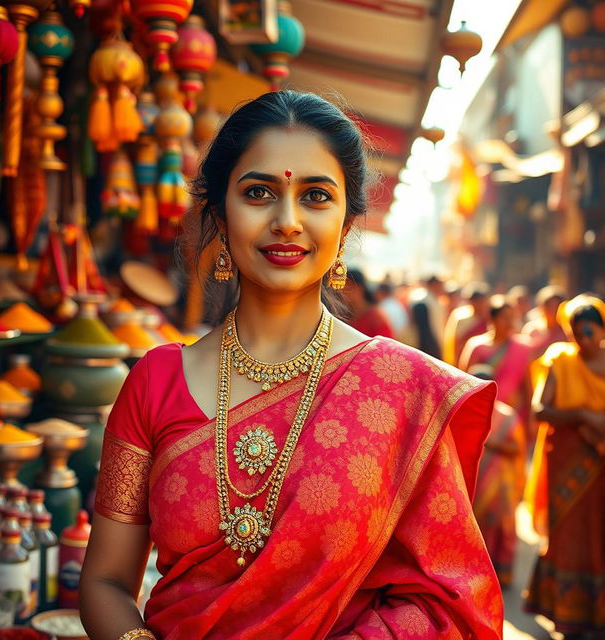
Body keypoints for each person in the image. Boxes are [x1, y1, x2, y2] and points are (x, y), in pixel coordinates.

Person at [79, 90, 502, 640]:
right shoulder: (154, 384)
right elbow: (106, 581)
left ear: (346, 225)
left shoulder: (403, 393)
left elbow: (453, 601)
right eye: (259, 192)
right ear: (219, 213)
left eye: (316, 196)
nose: (287, 221)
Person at [525, 295, 605, 637]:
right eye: (577, 333)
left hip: (601, 462)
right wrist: (581, 416)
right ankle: (566, 610)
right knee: (568, 534)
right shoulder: (560, 360)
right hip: (567, 463)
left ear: (602, 329)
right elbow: (541, 408)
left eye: (589, 331)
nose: (583, 340)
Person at [469, 364, 527, 589]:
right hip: (472, 480)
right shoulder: (465, 408)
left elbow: (517, 449)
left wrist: (491, 443)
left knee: (497, 524)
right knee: (473, 525)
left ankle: (496, 575)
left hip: (498, 482)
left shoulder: (506, 415)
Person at [459, 295, 534, 438]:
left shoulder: (522, 348)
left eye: (512, 318)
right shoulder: (477, 346)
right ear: (492, 319)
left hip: (512, 418)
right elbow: (464, 383)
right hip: (481, 415)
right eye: (505, 318)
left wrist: (530, 419)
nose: (510, 323)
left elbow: (527, 387)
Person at [443, 282, 491, 365]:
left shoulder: (491, 317)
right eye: (477, 302)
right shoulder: (460, 317)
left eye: (483, 301)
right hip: (464, 360)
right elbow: (453, 343)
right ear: (471, 302)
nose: (481, 305)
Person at [343, 269, 394, 338]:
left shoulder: (376, 317)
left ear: (359, 288)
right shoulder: (345, 314)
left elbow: (386, 345)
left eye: (347, 287)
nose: (342, 292)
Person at [522, 285, 568, 359]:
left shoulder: (567, 331)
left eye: (556, 307)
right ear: (541, 308)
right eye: (549, 307)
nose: (553, 312)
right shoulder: (532, 330)